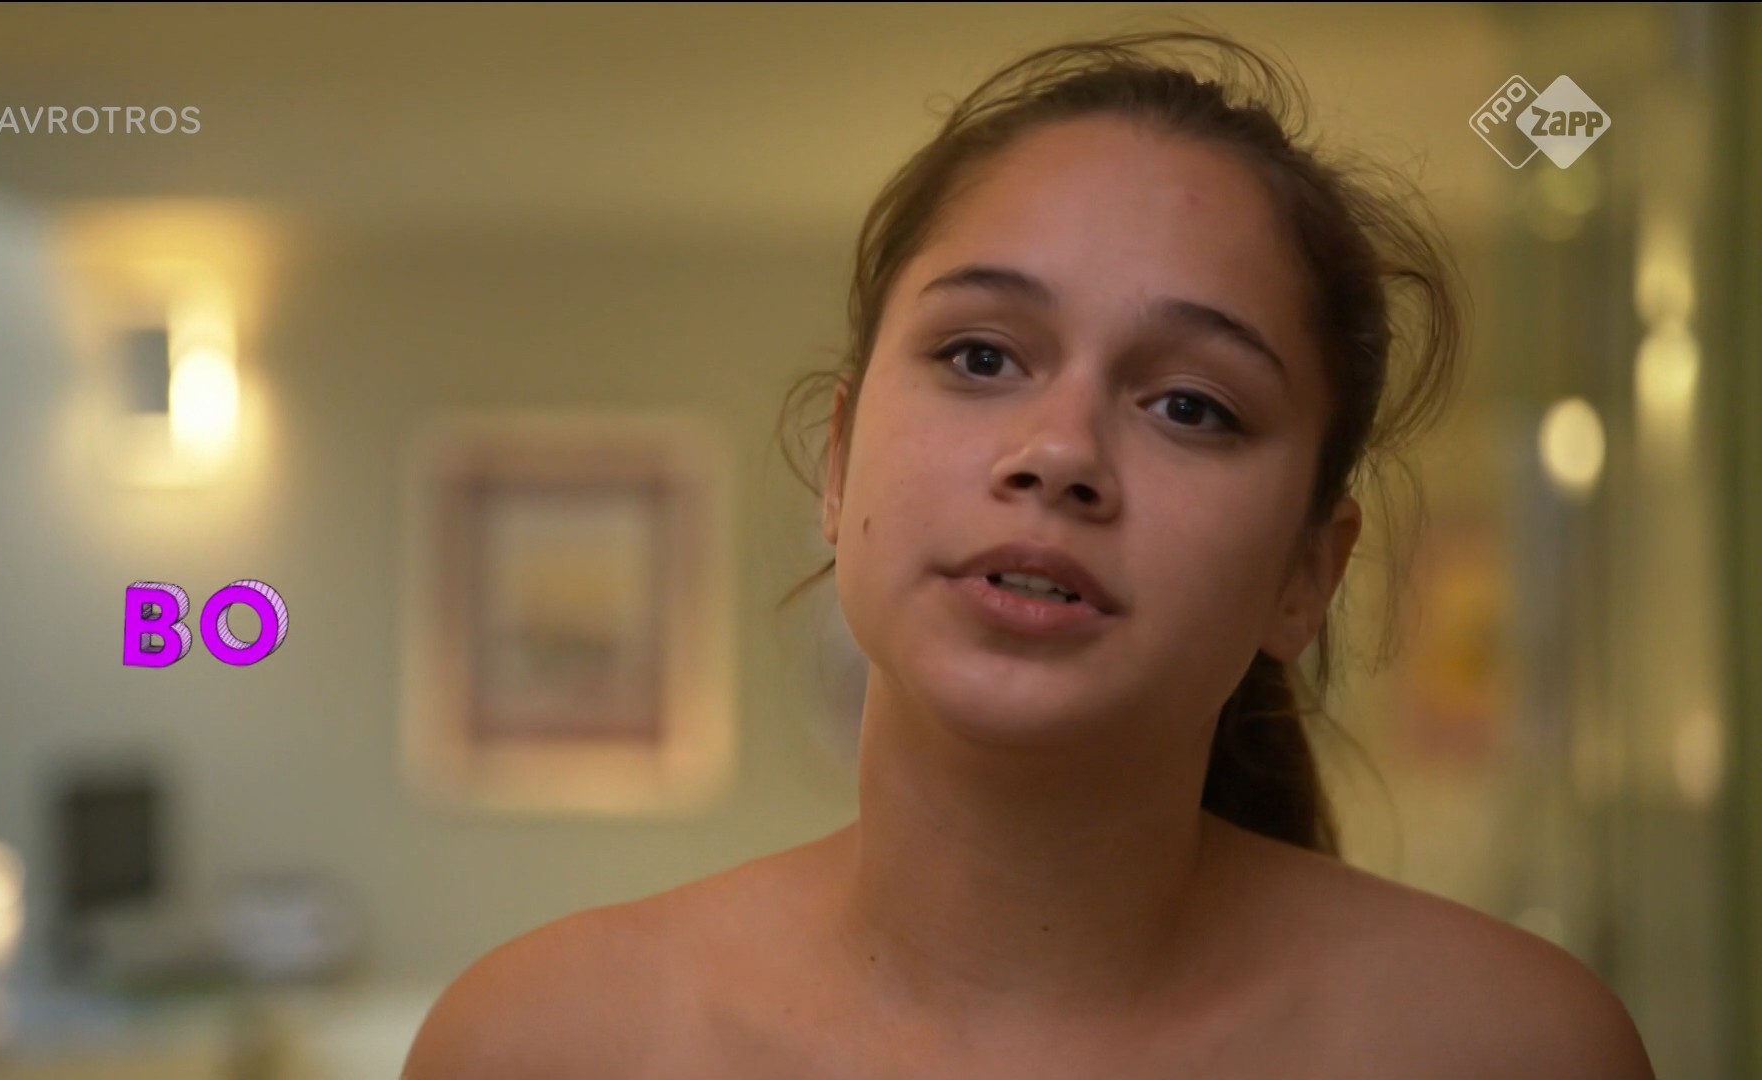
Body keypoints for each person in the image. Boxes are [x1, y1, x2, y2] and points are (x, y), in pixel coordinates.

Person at [404, 28, 1657, 1079]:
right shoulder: (547, 1042)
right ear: (838, 465)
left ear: (1307, 576)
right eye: (981, 356)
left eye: (1191, 406)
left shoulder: (1508, 1047)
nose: (1059, 453)